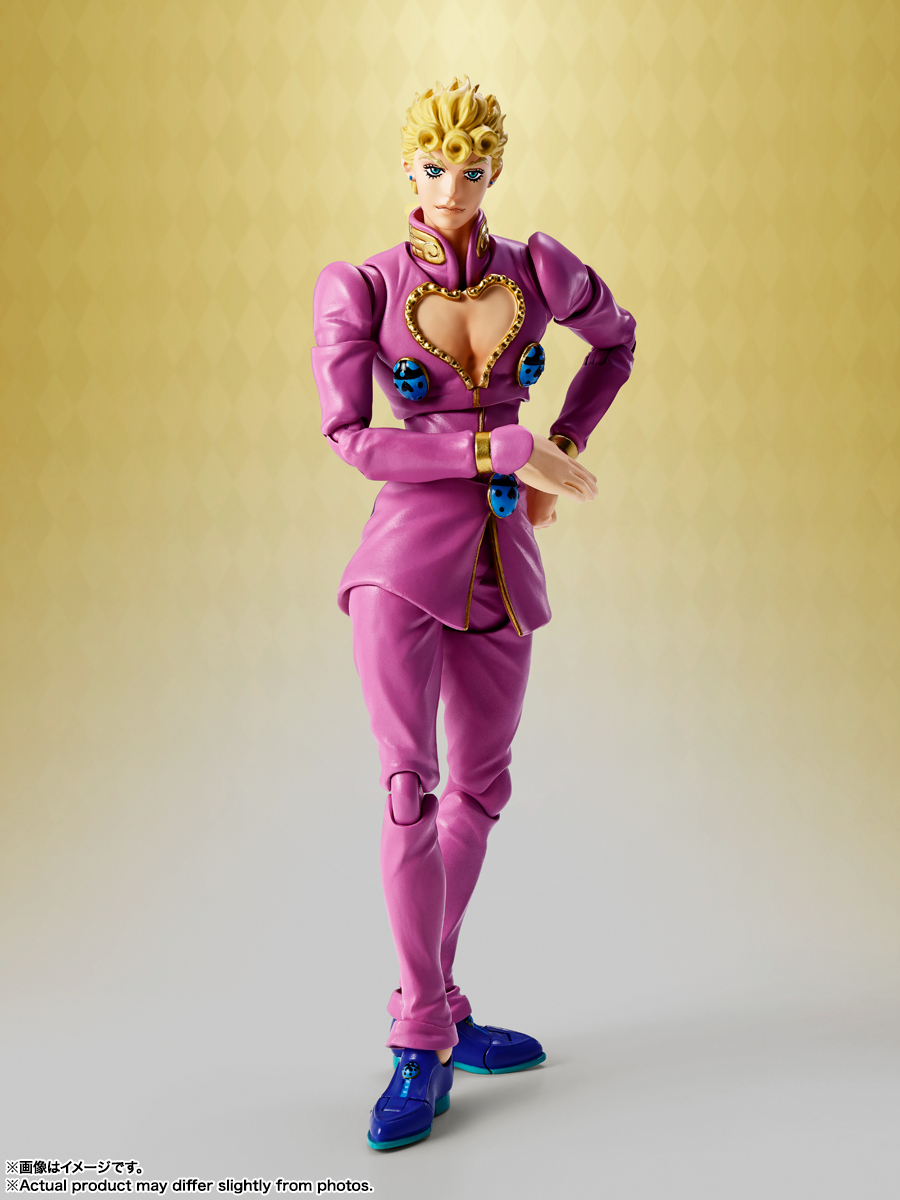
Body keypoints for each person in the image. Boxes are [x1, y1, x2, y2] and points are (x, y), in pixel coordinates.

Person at [311, 77, 636, 1150]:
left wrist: (568, 443)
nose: (452, 188)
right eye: (435, 167)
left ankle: (439, 1004)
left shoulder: (537, 268)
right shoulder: (361, 285)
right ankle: (417, 1038)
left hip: (504, 565)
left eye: (473, 169)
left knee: (481, 793)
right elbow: (353, 438)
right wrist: (501, 447)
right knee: (409, 790)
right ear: (407, 168)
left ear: (495, 171)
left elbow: (619, 339)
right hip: (401, 565)